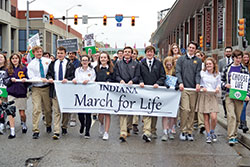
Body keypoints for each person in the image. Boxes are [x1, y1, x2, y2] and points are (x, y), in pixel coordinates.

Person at [221, 49, 250, 146]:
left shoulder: (244, 69)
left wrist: (247, 95)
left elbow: (248, 83)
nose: (238, 60)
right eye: (236, 58)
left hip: (240, 96)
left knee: (237, 117)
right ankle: (231, 137)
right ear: (233, 58)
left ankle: (235, 134)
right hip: (229, 95)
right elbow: (221, 80)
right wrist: (225, 85)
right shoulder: (227, 68)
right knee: (231, 115)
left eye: (240, 58)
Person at [46, 46, 75, 140]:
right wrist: (50, 78)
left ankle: (64, 126)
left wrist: (68, 79)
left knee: (65, 111)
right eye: (58, 53)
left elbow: (73, 76)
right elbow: (49, 73)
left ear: (65, 54)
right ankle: (56, 131)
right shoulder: (53, 63)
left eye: (61, 53)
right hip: (55, 90)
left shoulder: (70, 64)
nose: (60, 55)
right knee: (56, 111)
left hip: (66, 90)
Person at [176, 41, 202, 141]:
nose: (191, 49)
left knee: (192, 110)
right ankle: (183, 130)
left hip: (193, 89)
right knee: (185, 109)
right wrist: (180, 82)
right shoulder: (181, 59)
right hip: (184, 89)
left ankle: (189, 131)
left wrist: (198, 83)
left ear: (195, 50)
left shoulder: (198, 61)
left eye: (193, 48)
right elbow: (178, 72)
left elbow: (198, 73)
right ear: (187, 48)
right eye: (190, 47)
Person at [139, 46, 166, 142]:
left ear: (154, 53)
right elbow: (138, 75)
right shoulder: (141, 63)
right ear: (145, 53)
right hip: (145, 90)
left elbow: (163, 76)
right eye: (148, 52)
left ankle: (153, 129)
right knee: (146, 110)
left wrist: (158, 83)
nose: (149, 54)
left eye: (151, 52)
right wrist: (141, 81)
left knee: (154, 111)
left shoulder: (159, 63)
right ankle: (147, 131)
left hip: (155, 91)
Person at [115, 46, 140, 142]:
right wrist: (120, 80)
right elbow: (116, 75)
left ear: (131, 53)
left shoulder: (136, 64)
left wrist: (132, 81)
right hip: (121, 89)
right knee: (122, 110)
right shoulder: (118, 63)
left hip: (132, 89)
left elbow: (138, 75)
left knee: (130, 110)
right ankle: (123, 131)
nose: (127, 53)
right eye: (125, 51)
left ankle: (128, 127)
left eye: (129, 52)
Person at [27, 46, 52, 139]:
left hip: (46, 88)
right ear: (34, 53)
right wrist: (40, 79)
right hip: (36, 88)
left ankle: (48, 124)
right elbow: (31, 77)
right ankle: (35, 130)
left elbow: (51, 72)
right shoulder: (31, 64)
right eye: (37, 52)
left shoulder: (47, 61)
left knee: (48, 109)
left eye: (41, 51)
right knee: (36, 109)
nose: (39, 53)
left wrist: (49, 78)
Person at [3, 53, 30, 139]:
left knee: (22, 113)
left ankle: (24, 123)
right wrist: (10, 80)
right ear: (10, 60)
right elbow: (5, 81)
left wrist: (25, 80)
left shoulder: (24, 69)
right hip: (12, 93)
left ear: (19, 59)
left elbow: (29, 82)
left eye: (16, 58)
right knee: (11, 113)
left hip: (21, 93)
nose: (15, 60)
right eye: (13, 58)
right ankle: (12, 131)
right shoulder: (8, 70)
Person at [196, 57, 221, 143]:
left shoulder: (217, 74)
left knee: (213, 117)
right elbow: (200, 83)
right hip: (205, 95)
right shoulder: (202, 73)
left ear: (214, 65)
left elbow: (219, 84)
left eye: (210, 64)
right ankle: (208, 135)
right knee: (206, 117)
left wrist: (217, 88)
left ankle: (212, 131)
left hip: (213, 96)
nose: (208, 65)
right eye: (207, 64)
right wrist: (202, 87)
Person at [72, 55, 96, 138]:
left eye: (86, 60)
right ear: (81, 61)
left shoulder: (92, 70)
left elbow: (93, 80)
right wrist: (74, 80)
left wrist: (88, 81)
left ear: (89, 61)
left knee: (88, 113)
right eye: (83, 60)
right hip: (80, 93)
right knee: (80, 114)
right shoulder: (77, 70)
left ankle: (87, 131)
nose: (85, 62)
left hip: (89, 93)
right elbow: (76, 78)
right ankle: (82, 124)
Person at [95, 51, 114, 140]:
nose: (103, 59)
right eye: (101, 57)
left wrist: (109, 82)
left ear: (108, 59)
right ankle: (101, 123)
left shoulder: (112, 69)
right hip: (99, 94)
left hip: (109, 94)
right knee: (100, 114)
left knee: (107, 113)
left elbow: (115, 79)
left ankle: (106, 132)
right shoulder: (96, 69)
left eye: (105, 57)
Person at [162, 56, 176, 140]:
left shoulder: (175, 71)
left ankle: (170, 130)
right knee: (165, 114)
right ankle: (164, 131)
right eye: (167, 62)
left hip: (173, 96)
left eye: (170, 62)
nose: (169, 64)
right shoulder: (162, 71)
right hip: (165, 95)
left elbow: (179, 79)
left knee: (172, 114)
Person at [219, 46, 233, 118]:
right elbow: (219, 72)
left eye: (229, 51)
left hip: (232, 83)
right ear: (225, 53)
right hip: (224, 83)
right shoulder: (221, 61)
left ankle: (231, 112)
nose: (228, 53)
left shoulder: (234, 60)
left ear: (231, 52)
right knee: (224, 98)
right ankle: (226, 113)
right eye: (227, 51)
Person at [68, 51, 80, 127]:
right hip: (67, 84)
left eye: (72, 54)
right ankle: (67, 118)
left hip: (75, 84)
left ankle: (73, 119)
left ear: (75, 55)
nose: (71, 55)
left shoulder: (77, 63)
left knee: (73, 101)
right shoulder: (66, 62)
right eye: (69, 53)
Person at [239, 51, 250, 133]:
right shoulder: (240, 67)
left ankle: (241, 121)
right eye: (244, 57)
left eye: (247, 57)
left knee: (244, 106)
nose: (246, 59)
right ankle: (243, 123)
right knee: (243, 105)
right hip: (242, 89)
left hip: (248, 88)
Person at [0, 53, 9, 135]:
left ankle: (2, 123)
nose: (0, 58)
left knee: (3, 106)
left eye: (1, 57)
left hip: (3, 89)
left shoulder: (7, 68)